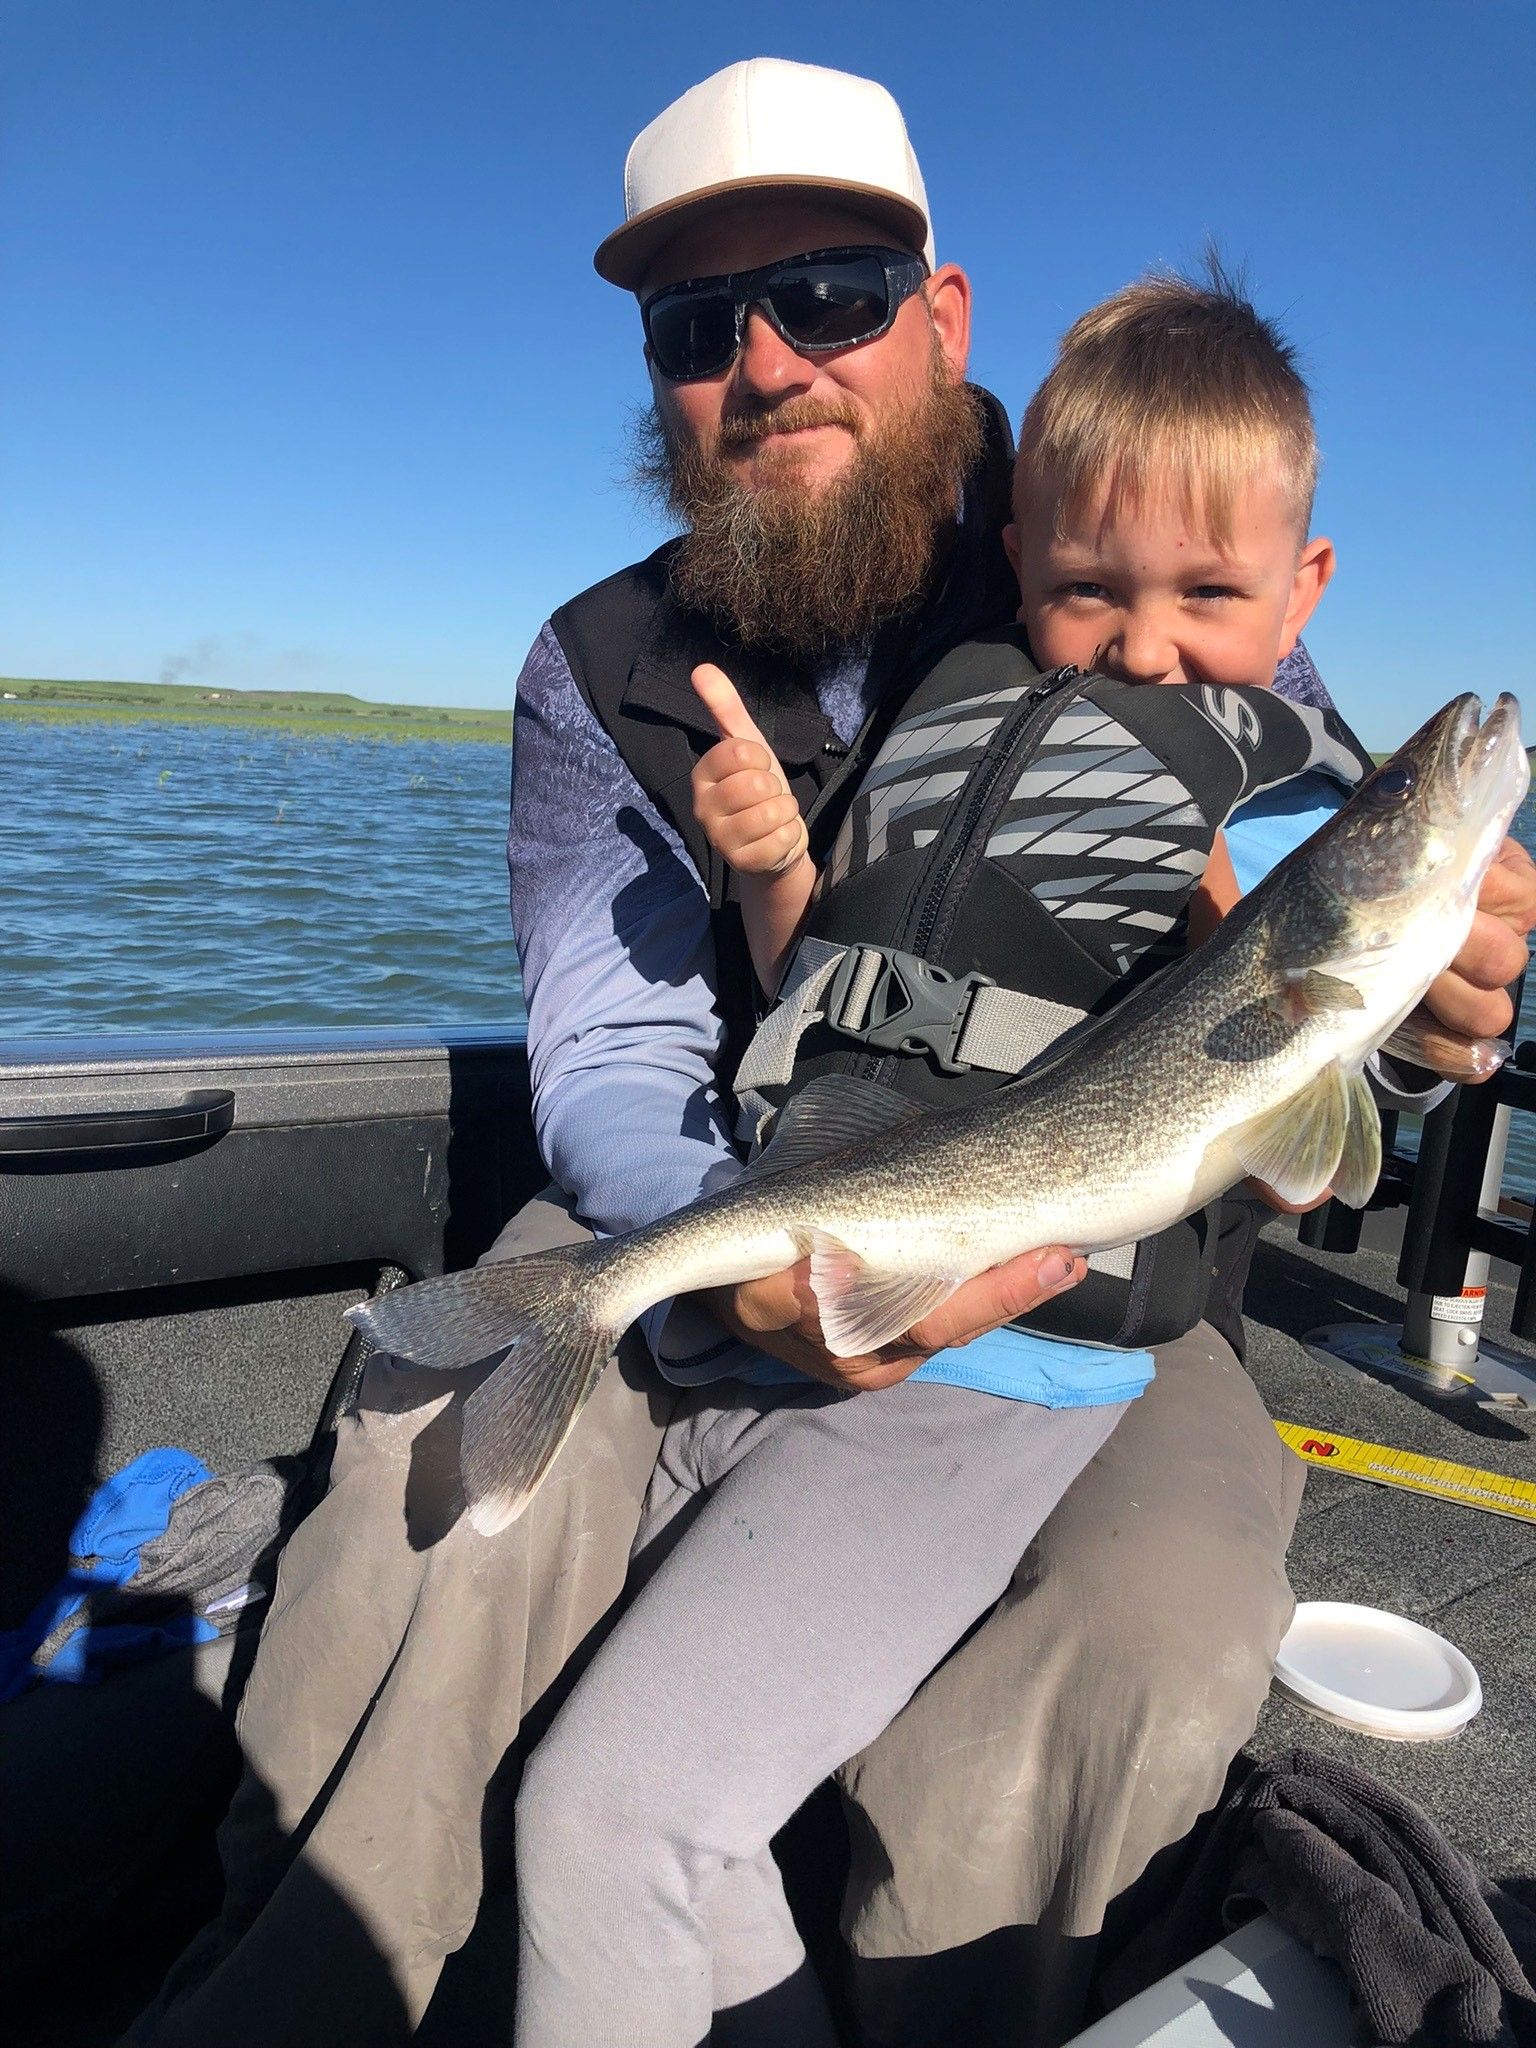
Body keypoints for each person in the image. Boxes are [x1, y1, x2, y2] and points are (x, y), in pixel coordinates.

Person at [132, 58, 1536, 2048]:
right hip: (753, 1185)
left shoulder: (1108, 518)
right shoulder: (589, 666)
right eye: (704, 325)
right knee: (404, 1475)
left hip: (1120, 1284)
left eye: (835, 293)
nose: (772, 358)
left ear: (941, 318)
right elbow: (613, 1056)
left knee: (1145, 1626)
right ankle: (316, 1993)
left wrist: (1439, 1006)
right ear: (658, 374)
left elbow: (1317, 856)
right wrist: (774, 1245)